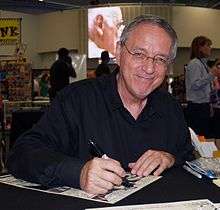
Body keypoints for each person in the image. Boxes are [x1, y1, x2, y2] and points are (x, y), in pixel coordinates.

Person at [7, 15, 194, 196]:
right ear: (119, 53)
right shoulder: (76, 100)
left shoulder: (171, 107)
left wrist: (171, 158)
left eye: (160, 59)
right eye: (139, 54)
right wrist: (78, 172)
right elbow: (23, 153)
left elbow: (188, 156)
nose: (149, 68)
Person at [185, 36, 219, 137]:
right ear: (200, 48)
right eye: (208, 45)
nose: (210, 48)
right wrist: (211, 74)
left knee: (204, 136)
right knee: (199, 137)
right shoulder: (195, 64)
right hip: (197, 108)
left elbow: (206, 87)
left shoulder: (203, 64)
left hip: (203, 106)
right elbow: (195, 85)